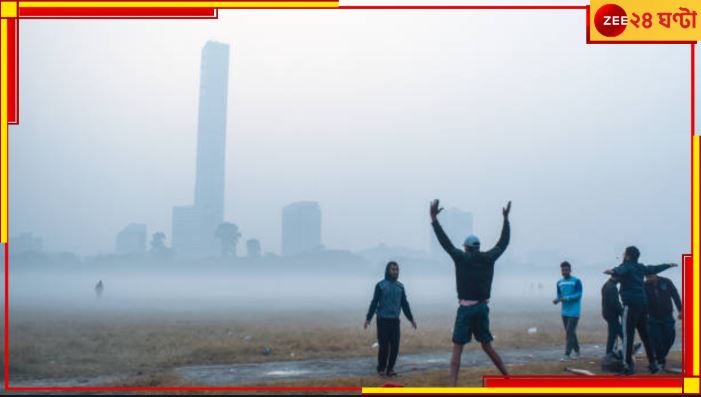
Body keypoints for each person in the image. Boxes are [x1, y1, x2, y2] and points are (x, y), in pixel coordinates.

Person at [430, 199, 511, 386]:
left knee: (457, 349)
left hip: (465, 309)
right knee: (487, 346)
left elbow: (446, 244)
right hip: (482, 308)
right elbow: (503, 243)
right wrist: (506, 220)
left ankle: (452, 386)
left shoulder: (461, 258)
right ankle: (507, 377)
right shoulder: (488, 258)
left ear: (466, 247)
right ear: (478, 247)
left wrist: (434, 219)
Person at [603, 246, 677, 375]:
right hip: (643, 305)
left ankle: (628, 367)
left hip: (630, 305)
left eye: (624, 253)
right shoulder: (640, 267)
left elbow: (621, 270)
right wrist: (668, 265)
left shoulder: (627, 266)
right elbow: (654, 268)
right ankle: (653, 364)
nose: (622, 255)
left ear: (627, 256)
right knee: (645, 335)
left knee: (628, 336)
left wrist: (612, 271)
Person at [364, 261, 417, 377]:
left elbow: (404, 304)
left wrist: (411, 319)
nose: (395, 271)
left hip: (394, 321)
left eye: (397, 269)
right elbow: (374, 302)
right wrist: (368, 318)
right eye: (393, 269)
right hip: (382, 320)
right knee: (383, 347)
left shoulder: (400, 287)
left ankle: (390, 369)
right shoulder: (380, 286)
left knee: (395, 347)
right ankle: (381, 368)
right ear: (388, 271)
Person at [645, 273, 682, 370]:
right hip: (653, 317)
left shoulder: (666, 282)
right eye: (646, 277)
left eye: (649, 276)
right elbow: (641, 301)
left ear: (654, 275)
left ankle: (659, 358)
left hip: (667, 316)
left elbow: (675, 295)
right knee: (656, 339)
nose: (647, 278)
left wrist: (681, 310)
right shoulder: (644, 285)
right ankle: (659, 361)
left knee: (670, 337)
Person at [553, 261, 582, 360]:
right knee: (571, 332)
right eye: (562, 270)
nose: (564, 272)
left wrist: (567, 298)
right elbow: (559, 295)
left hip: (574, 312)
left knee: (569, 332)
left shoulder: (576, 281)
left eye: (566, 270)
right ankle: (577, 351)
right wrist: (557, 300)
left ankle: (567, 354)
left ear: (570, 270)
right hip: (564, 312)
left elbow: (578, 295)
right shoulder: (559, 282)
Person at [601, 274, 624, 358]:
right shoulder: (612, 287)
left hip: (607, 313)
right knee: (613, 333)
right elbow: (615, 302)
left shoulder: (607, 285)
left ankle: (611, 351)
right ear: (616, 277)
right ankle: (609, 353)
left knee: (617, 331)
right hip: (611, 314)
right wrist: (622, 311)